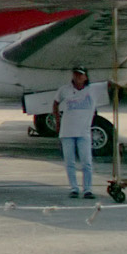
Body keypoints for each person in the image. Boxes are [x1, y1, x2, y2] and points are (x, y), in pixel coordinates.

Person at [53, 67, 100, 199]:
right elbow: (55, 103)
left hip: (83, 131)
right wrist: (57, 120)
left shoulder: (92, 89)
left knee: (86, 161)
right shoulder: (65, 89)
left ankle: (88, 189)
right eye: (76, 75)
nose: (77, 77)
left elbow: (110, 86)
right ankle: (74, 188)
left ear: (85, 77)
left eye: (80, 75)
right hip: (67, 130)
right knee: (70, 162)